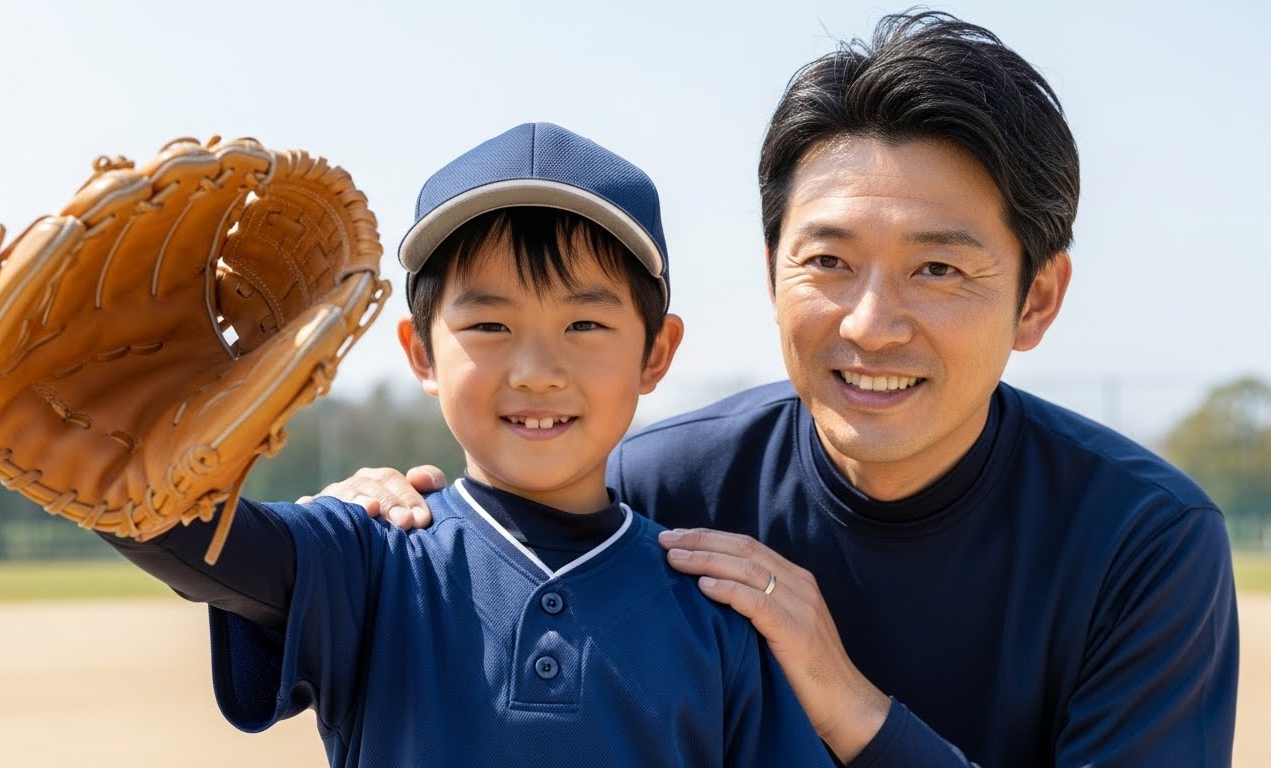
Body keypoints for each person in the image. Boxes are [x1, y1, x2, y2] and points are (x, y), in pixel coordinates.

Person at [311, 12, 1240, 767]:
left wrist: (850, 708)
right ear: (769, 274)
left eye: (938, 271)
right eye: (828, 260)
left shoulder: (1143, 544)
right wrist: (371, 529)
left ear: (1036, 299)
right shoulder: (655, 491)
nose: (871, 323)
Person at [101, 122, 831, 767]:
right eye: (489, 326)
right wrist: (115, 428)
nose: (537, 372)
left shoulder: (714, 615)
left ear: (655, 354)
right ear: (420, 352)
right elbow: (176, 529)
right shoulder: (371, 558)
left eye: (584, 326)